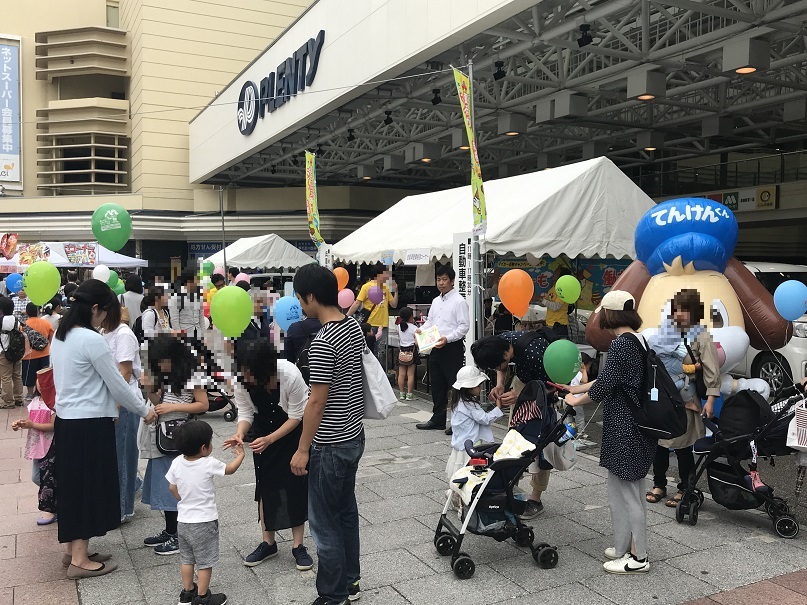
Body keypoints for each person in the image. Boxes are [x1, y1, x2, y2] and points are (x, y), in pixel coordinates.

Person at [50, 279, 156, 579]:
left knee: (72, 485)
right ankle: (80, 561)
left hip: (67, 422)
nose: (104, 318)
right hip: (90, 424)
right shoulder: (91, 340)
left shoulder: (62, 335)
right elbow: (118, 386)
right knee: (88, 487)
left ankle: (72, 550)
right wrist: (144, 410)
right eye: (104, 311)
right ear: (95, 308)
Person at [563, 290, 655, 574]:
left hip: (625, 426)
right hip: (634, 425)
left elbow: (604, 387)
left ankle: (639, 558)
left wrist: (575, 400)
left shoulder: (620, 346)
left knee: (628, 492)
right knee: (624, 489)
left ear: (610, 314)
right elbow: (612, 381)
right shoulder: (638, 340)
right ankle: (622, 545)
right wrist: (576, 388)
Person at [290, 264, 366, 605]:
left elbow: (316, 401)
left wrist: (303, 449)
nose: (300, 306)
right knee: (346, 511)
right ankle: (350, 580)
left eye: (300, 298)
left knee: (324, 523)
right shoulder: (353, 327)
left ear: (310, 297)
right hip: (354, 434)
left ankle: (333, 595)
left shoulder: (322, 341)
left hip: (330, 444)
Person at [223, 337, 313, 571]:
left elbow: (296, 416)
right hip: (263, 433)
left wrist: (272, 439)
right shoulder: (242, 379)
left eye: (251, 372)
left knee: (295, 485)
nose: (246, 377)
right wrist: (240, 434)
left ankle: (298, 546)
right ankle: (268, 542)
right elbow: (245, 412)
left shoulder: (290, 375)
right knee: (265, 487)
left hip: (290, 433)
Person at [646, 289, 718, 508]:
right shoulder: (665, 331)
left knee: (682, 444)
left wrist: (711, 400)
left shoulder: (701, 335)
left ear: (694, 312)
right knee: (659, 442)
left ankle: (685, 487)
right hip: (663, 396)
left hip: (685, 397)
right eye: (676, 309)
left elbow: (711, 369)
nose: (679, 314)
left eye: (684, 310)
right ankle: (659, 483)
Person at [471, 330, 554, 518]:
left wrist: (522, 395)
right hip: (522, 384)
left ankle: (536, 498)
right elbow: (502, 367)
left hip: (543, 391)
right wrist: (500, 384)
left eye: (498, 364)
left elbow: (553, 386)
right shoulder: (499, 342)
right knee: (513, 440)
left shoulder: (535, 353)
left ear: (506, 354)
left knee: (538, 446)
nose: (498, 368)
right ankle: (509, 486)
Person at [140, 334, 210, 556]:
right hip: (162, 435)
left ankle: (176, 535)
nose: (161, 365)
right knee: (163, 483)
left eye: (164, 360)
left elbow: (203, 404)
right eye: (158, 361)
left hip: (178, 437)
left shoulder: (191, 374)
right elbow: (160, 402)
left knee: (172, 486)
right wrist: (150, 391)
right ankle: (170, 530)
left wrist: (170, 410)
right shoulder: (164, 374)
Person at [167, 420, 245, 605]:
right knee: (205, 562)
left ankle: (187, 594)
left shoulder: (177, 462)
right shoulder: (208, 463)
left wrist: (183, 500)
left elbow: (172, 487)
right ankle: (202, 597)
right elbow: (230, 469)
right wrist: (240, 455)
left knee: (187, 559)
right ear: (204, 448)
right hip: (204, 522)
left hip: (184, 521)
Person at [414, 265, 470, 432]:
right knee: (437, 384)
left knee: (455, 385)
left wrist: (448, 338)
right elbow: (431, 322)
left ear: (452, 281)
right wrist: (421, 331)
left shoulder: (459, 301)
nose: (441, 283)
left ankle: (457, 422)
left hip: (452, 347)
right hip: (436, 346)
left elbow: (463, 327)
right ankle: (438, 418)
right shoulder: (436, 301)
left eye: (444, 279)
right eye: (438, 279)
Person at [103, 307, 143, 523]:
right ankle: (134, 486)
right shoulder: (103, 333)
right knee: (117, 455)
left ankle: (121, 509)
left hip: (124, 403)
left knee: (122, 456)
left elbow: (125, 372)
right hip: (111, 402)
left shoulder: (124, 334)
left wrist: (117, 403)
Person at [445, 366, 506, 480]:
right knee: (470, 471)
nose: (480, 388)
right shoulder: (470, 405)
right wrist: (498, 407)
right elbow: (485, 419)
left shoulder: (458, 402)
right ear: (469, 388)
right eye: (478, 386)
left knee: (459, 468)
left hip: (460, 442)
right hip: (472, 443)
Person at [12, 376, 57, 525]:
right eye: (38, 379)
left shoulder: (53, 404)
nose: (40, 382)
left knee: (48, 478)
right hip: (37, 446)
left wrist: (32, 425)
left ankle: (52, 508)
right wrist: (20, 424)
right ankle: (59, 500)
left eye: (44, 380)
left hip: (50, 445)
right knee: (36, 477)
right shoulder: (34, 402)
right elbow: (30, 421)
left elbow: (52, 426)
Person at [346, 263, 398, 371]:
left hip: (382, 326)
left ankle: (380, 377)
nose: (388, 276)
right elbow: (356, 303)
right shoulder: (366, 287)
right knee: (369, 352)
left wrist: (396, 291)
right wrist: (346, 317)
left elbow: (394, 304)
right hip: (369, 325)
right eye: (386, 274)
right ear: (378, 274)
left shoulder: (385, 288)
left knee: (381, 352)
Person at [22, 303, 54, 401]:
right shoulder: (46, 323)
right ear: (38, 311)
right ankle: (43, 393)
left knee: (29, 375)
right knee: (44, 375)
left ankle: (30, 393)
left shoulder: (23, 325)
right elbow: (51, 337)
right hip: (45, 353)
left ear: (27, 312)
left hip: (30, 354)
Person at [0, 296, 24, 408]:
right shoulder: (16, 320)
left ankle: (8, 402)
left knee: (6, 377)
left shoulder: (1, 320)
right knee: (17, 375)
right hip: (17, 351)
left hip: (4, 351)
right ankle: (19, 398)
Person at [169, 270, 207, 340]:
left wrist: (203, 334)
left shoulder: (198, 297)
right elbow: (174, 320)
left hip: (198, 333)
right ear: (188, 282)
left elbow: (201, 317)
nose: (197, 283)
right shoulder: (176, 297)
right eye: (196, 281)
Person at [537, 267, 571, 340]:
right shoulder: (553, 288)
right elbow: (546, 303)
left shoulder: (563, 289)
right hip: (550, 324)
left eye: (556, 272)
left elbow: (556, 306)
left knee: (559, 349)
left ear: (561, 276)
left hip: (559, 325)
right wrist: (538, 300)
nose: (554, 273)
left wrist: (542, 300)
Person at [396, 307, 418, 401]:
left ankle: (401, 394)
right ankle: (409, 394)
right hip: (411, 351)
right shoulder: (414, 328)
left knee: (401, 374)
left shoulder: (399, 327)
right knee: (410, 374)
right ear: (410, 317)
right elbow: (417, 342)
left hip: (402, 351)